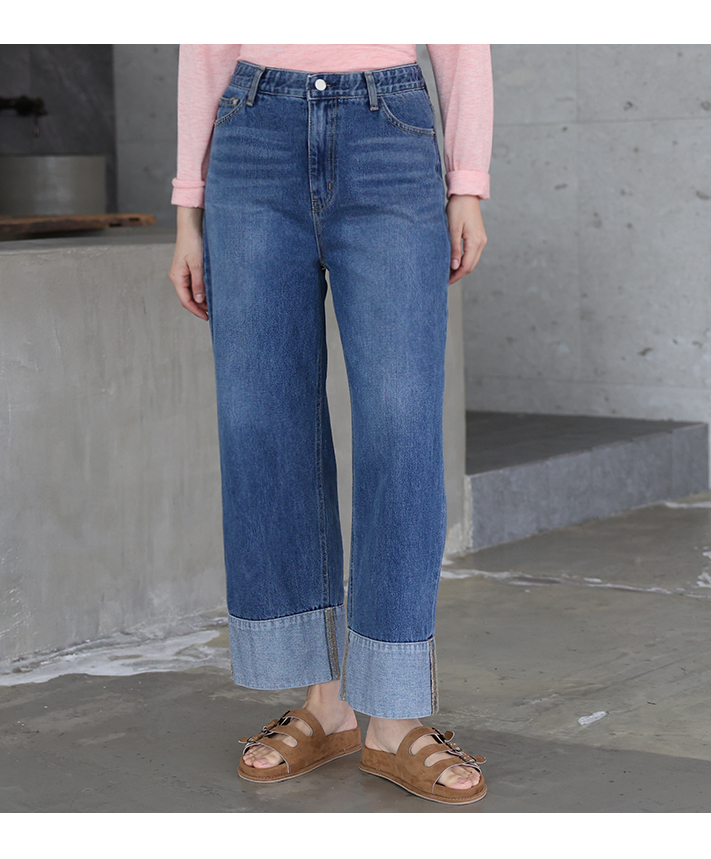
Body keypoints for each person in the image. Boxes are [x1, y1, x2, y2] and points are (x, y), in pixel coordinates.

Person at [168, 45, 492, 805]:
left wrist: (467, 184)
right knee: (262, 420)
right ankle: (328, 704)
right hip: (251, 138)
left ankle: (394, 717)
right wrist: (188, 212)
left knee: (402, 426)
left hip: (389, 135)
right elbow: (204, 38)